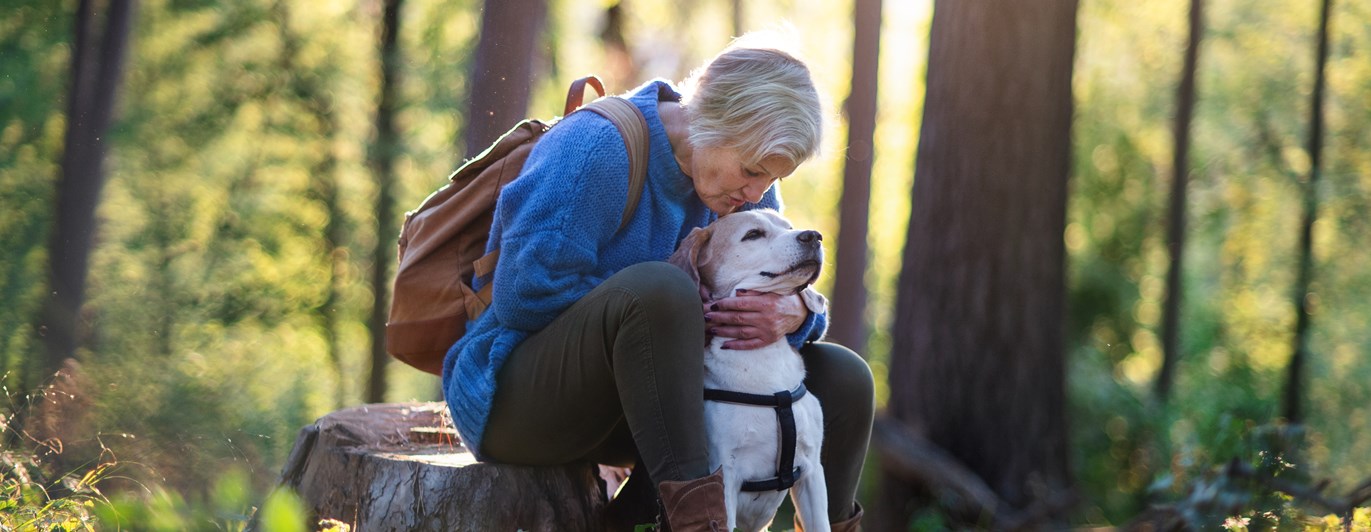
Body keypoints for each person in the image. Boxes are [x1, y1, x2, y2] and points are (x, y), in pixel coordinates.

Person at [442, 33, 874, 531]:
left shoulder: (741, 192)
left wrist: (794, 314)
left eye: (771, 180)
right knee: (663, 291)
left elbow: (779, 281)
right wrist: (670, 314)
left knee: (843, 377)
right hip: (518, 400)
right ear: (713, 119)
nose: (757, 193)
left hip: (647, 410)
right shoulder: (595, 148)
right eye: (752, 171)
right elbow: (523, 295)